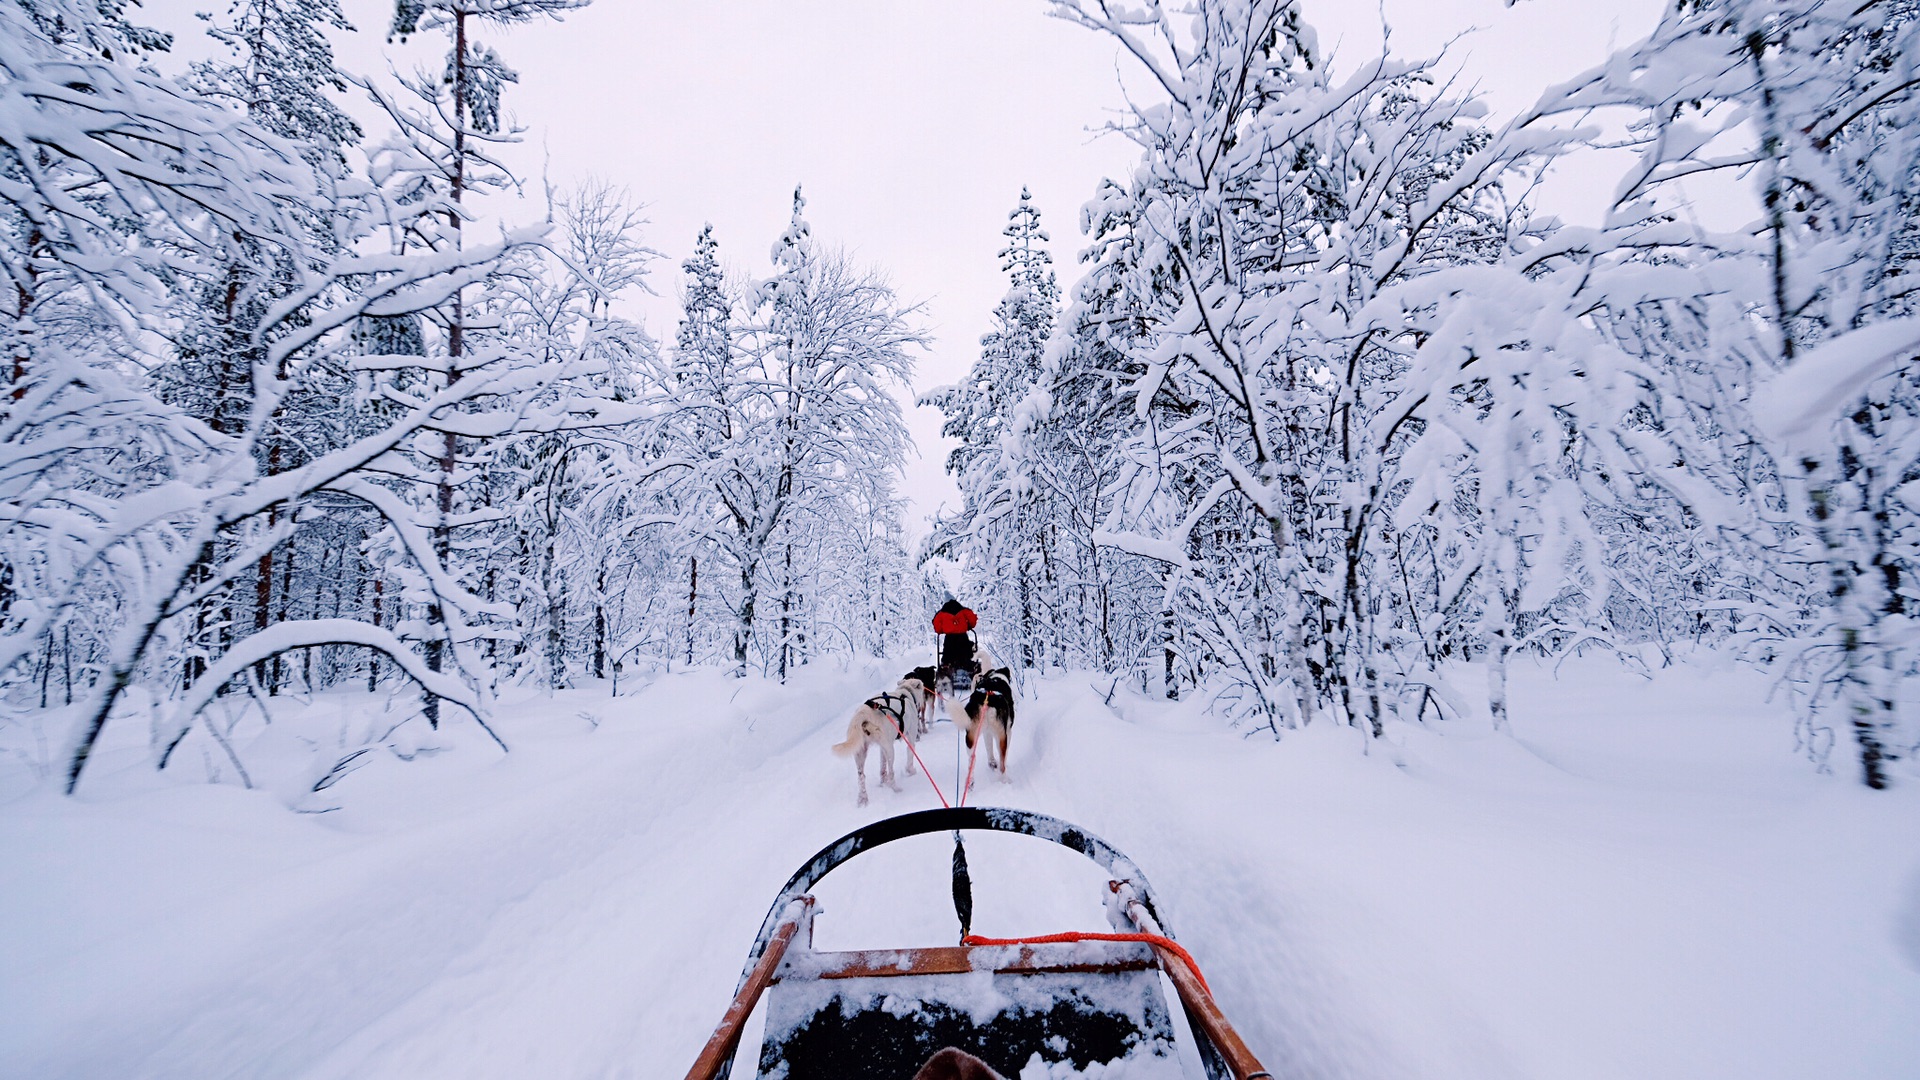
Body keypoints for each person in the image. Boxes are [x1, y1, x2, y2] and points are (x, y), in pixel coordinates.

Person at [932, 597, 978, 689]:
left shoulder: (941, 613)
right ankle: (969, 666)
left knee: (947, 656)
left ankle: (946, 667)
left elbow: (937, 627)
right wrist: (968, 626)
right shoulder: (964, 610)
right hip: (962, 637)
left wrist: (943, 630)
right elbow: (973, 621)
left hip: (949, 639)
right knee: (966, 654)